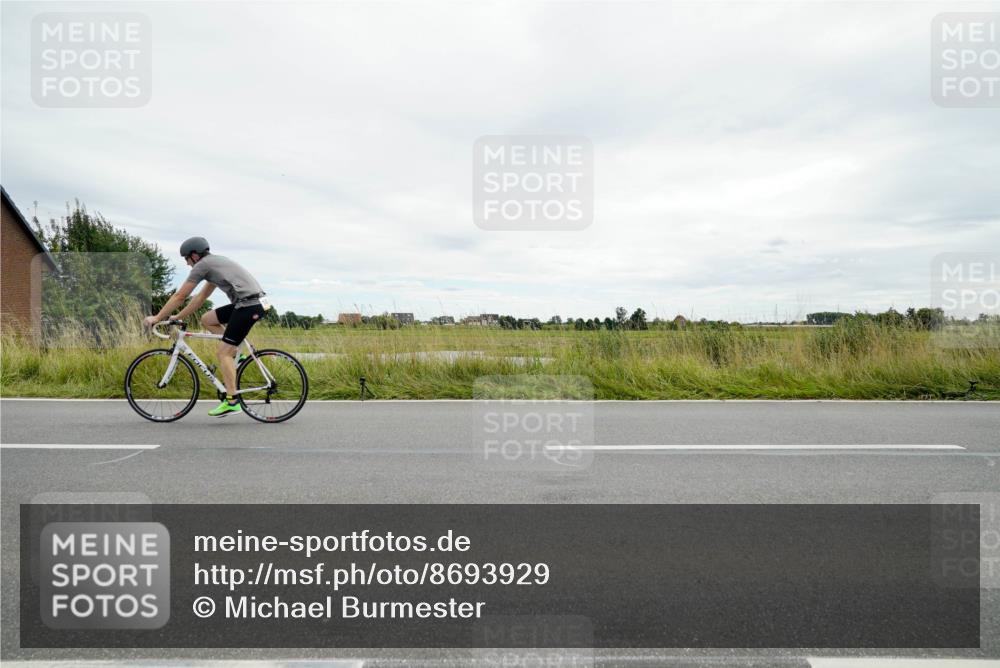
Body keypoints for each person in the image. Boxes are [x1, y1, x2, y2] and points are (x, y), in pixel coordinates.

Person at [144, 237, 268, 417]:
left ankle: (232, 401)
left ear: (194, 255)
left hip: (249, 305)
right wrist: (178, 317)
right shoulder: (214, 265)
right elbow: (200, 298)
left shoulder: (203, 266)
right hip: (251, 303)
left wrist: (157, 317)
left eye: (186, 259)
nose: (187, 264)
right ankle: (237, 356)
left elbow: (180, 296)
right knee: (207, 319)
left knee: (223, 353)